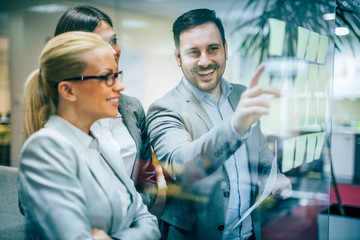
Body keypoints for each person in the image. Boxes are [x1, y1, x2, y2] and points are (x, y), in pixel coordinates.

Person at [146, 8, 292, 240]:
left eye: (213, 49)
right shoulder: (164, 108)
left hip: (249, 233)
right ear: (178, 58)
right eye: (193, 52)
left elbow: (261, 155)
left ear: (225, 49)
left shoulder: (242, 95)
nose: (205, 61)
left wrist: (274, 176)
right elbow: (182, 166)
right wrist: (235, 126)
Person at [18, 31, 160, 239]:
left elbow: (149, 223)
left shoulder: (101, 146)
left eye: (117, 76)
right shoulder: (44, 149)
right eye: (106, 77)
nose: (120, 86)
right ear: (68, 91)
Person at [54, 5, 158, 209]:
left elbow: (148, 181)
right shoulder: (54, 112)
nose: (113, 51)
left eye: (114, 40)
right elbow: (33, 202)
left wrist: (133, 214)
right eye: (99, 44)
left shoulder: (132, 108)